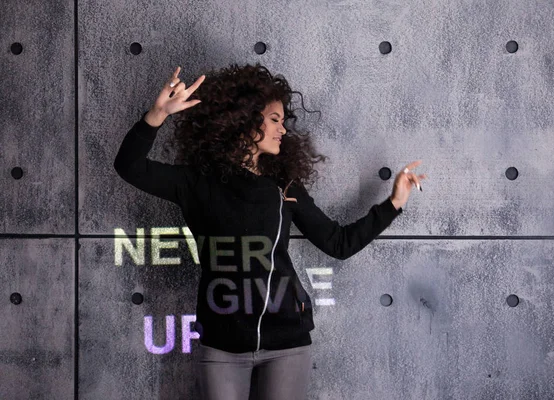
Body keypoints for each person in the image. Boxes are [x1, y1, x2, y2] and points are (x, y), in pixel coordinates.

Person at [114, 63, 426, 400]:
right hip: (221, 346)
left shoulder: (284, 188)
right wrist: (157, 114)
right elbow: (129, 166)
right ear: (246, 122)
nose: (283, 130)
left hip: (287, 345)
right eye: (275, 120)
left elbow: (338, 243)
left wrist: (393, 203)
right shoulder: (195, 183)